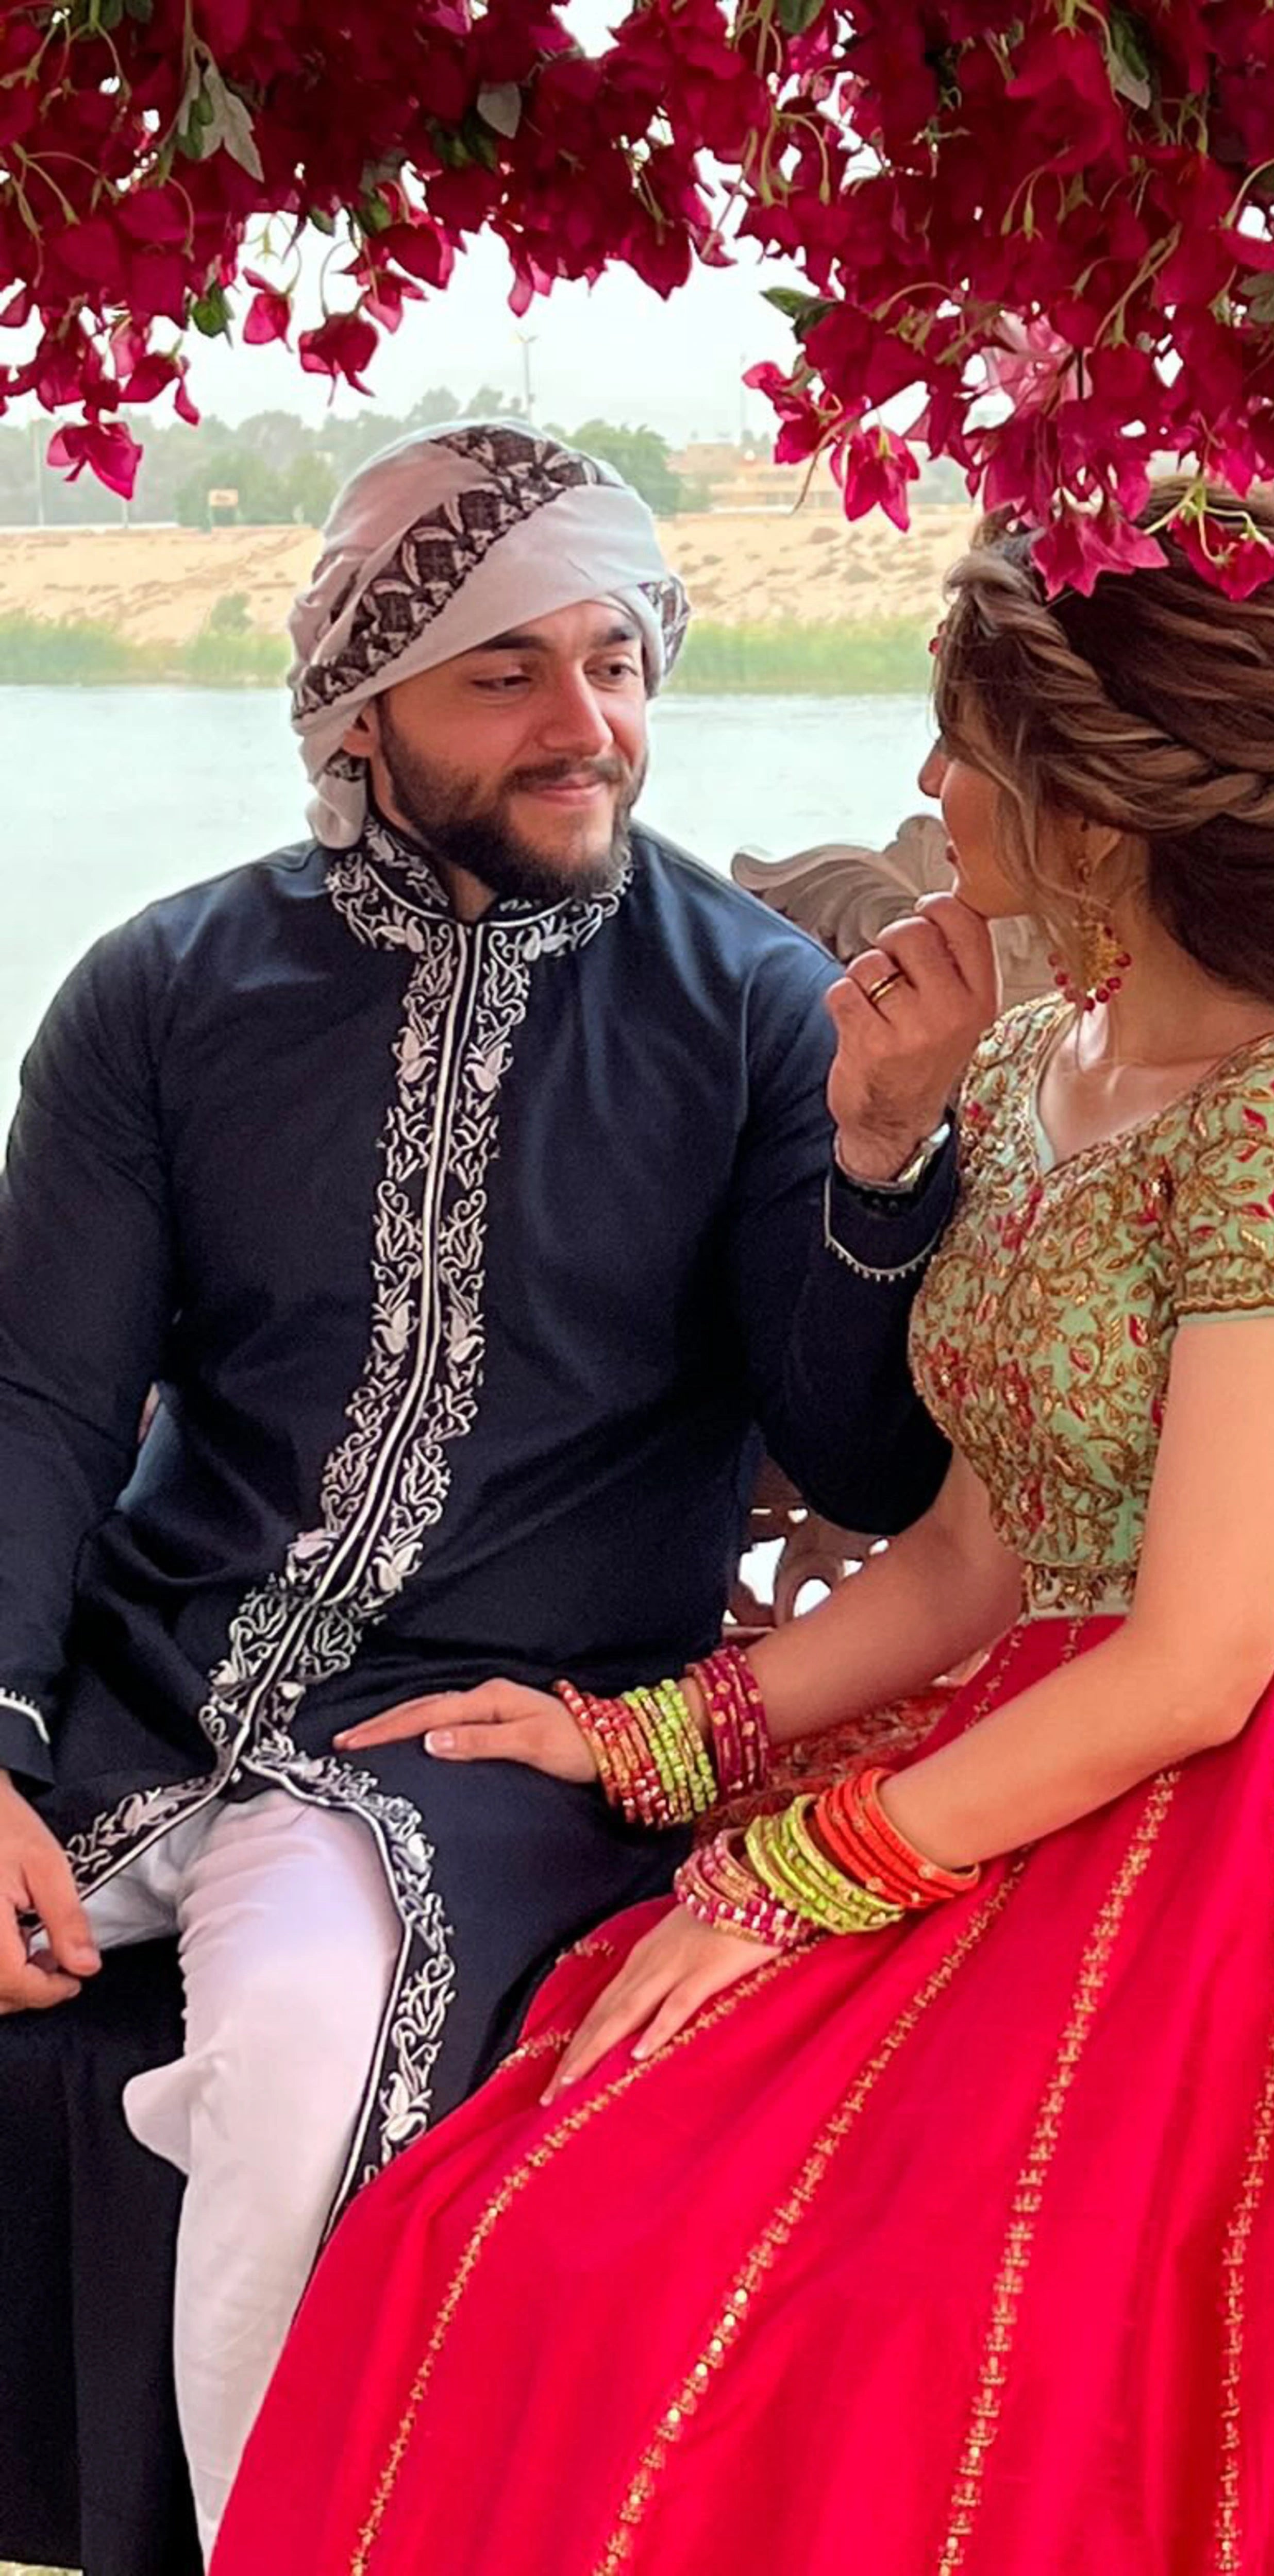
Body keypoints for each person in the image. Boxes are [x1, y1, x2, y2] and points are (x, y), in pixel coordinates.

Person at [213, 482, 1274, 2575]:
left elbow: (1199, 1646)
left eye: (966, 746)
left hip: (1264, 1799)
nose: (927, 783)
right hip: (1032, 1740)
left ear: (1097, 810)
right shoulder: (1043, 1054)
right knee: (528, 2206)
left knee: (873, 2312)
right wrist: (644, 1741)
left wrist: (790, 1867)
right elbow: (969, 1558)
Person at [0, 419, 993, 2573]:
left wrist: (881, 1162)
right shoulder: (166, 991)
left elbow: (868, 1465)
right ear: (362, 710)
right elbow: (42, 1400)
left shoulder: (750, 1007)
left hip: (485, 1752)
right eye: (507, 674)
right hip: (140, 1702)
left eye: (618, 661)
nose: (589, 726)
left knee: (290, 2059)